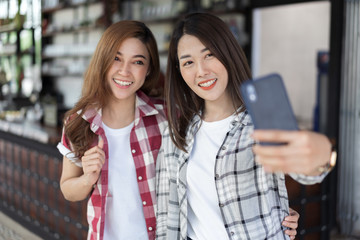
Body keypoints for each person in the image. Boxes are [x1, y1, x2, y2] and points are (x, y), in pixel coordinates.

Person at [156, 12, 333, 240]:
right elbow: (166, 214)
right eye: (188, 62)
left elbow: (309, 173)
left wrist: (324, 155)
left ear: (227, 53)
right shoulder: (176, 132)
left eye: (209, 55)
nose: (201, 71)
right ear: (179, 71)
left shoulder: (260, 123)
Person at [57, 21, 168, 240]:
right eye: (116, 58)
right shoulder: (78, 122)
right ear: (103, 60)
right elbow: (68, 189)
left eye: (137, 61)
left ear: (148, 70)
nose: (125, 71)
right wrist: (87, 178)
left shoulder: (165, 118)